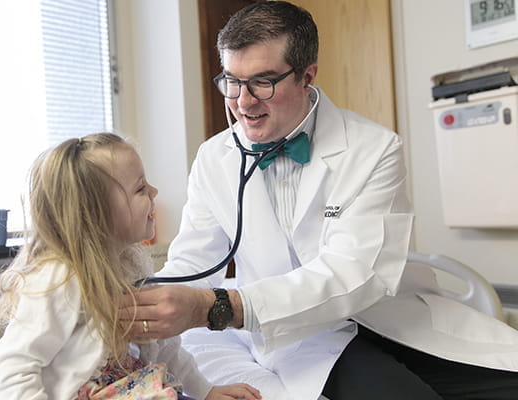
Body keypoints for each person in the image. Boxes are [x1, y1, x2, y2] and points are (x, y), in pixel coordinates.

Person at [119, 2, 518, 400]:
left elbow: (354, 273)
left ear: (307, 76)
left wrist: (220, 306)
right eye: (232, 81)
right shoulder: (214, 157)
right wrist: (137, 303)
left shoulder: (373, 148)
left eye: (262, 82)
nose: (242, 102)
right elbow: (194, 264)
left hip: (386, 315)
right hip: (302, 335)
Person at [0, 133, 261, 400]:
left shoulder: (129, 266)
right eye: (141, 188)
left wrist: (206, 391)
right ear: (97, 213)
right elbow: (12, 370)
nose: (154, 192)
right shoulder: (61, 277)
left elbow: (164, 345)